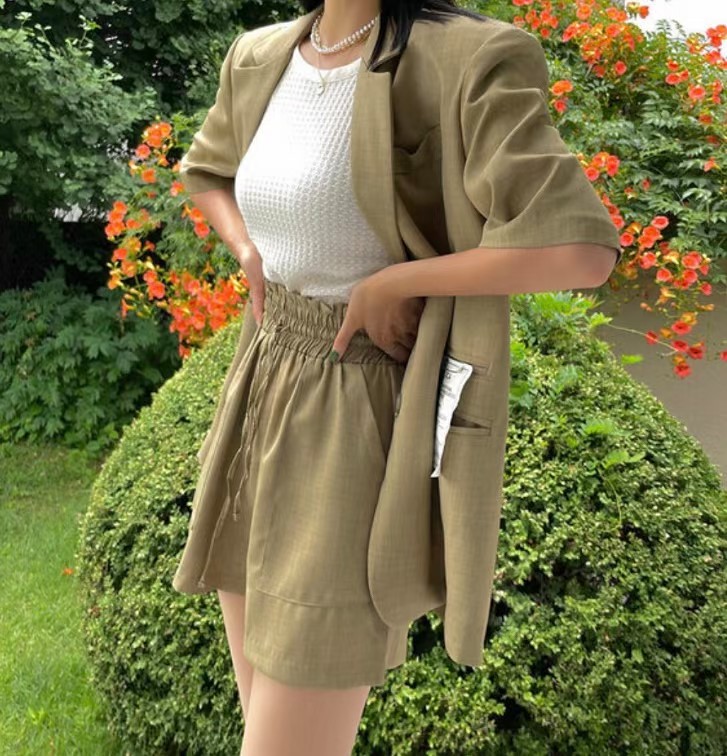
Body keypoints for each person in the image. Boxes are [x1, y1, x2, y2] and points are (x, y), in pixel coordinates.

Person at [172, 2, 621, 754]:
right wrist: (248, 249)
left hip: (356, 407)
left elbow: (582, 250)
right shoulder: (259, 54)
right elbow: (206, 169)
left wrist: (399, 281)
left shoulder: (469, 56)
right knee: (265, 722)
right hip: (262, 379)